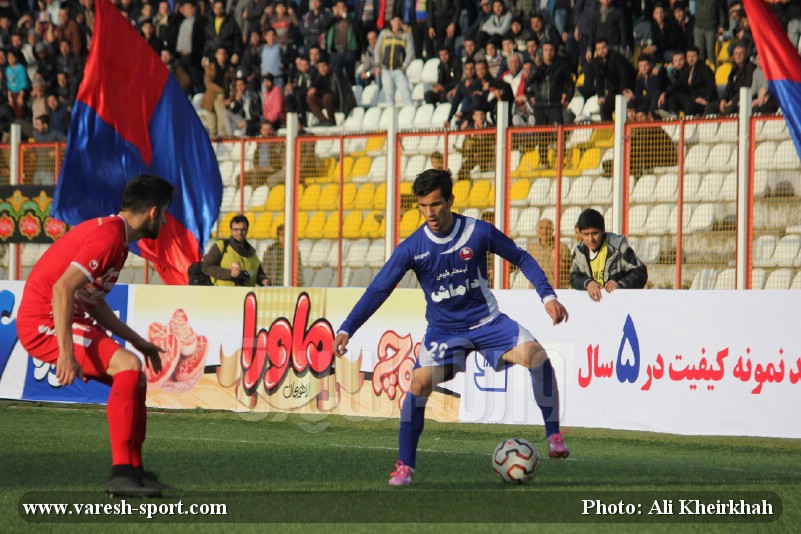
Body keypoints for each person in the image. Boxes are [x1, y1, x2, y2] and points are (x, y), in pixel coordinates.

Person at [332, 169, 571, 486]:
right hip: (444, 333)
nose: (429, 213)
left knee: (538, 357)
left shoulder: (478, 232)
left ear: (450, 201)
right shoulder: (412, 248)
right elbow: (379, 289)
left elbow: (521, 257)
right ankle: (405, 467)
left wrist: (547, 296)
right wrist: (348, 327)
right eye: (423, 206)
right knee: (417, 386)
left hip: (488, 323)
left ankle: (553, 435)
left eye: (436, 204)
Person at [16, 175, 176, 497]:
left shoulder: (117, 237)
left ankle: (134, 472)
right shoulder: (110, 238)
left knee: (135, 374)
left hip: (61, 316)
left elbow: (92, 302)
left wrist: (139, 341)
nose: (166, 220)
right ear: (154, 212)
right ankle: (120, 474)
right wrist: (65, 352)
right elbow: (62, 288)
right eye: (167, 213)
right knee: (128, 366)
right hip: (42, 322)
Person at [570, 208, 648, 301]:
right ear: (580, 233)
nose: (590, 239)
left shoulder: (619, 247)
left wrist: (620, 284)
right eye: (586, 234)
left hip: (619, 304)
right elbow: (574, 277)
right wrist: (588, 283)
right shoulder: (579, 252)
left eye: (594, 233)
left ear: (603, 230)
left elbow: (640, 272)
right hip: (591, 306)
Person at [202, 214, 270, 286]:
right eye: (236, 229)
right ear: (231, 230)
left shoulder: (252, 253)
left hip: (246, 296)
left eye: (242, 229)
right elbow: (206, 267)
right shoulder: (222, 246)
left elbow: (258, 274)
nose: (239, 233)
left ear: (247, 230)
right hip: (224, 295)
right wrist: (229, 273)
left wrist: (264, 280)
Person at [527, 218, 572, 289]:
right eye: (541, 228)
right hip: (536, 291)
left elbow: (571, 269)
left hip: (556, 291)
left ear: (552, 230)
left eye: (547, 228)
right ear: (537, 231)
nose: (544, 231)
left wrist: (559, 260)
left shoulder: (562, 247)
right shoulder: (532, 248)